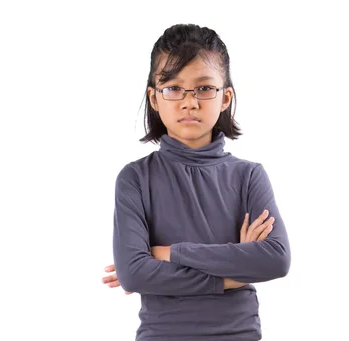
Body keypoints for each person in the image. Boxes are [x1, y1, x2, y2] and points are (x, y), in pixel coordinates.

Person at [101, 23, 291, 341]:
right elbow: (134, 274)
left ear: (225, 97)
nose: (190, 102)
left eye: (204, 88)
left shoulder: (249, 176)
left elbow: (276, 259)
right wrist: (235, 269)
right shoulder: (135, 179)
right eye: (173, 88)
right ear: (154, 98)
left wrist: (170, 253)